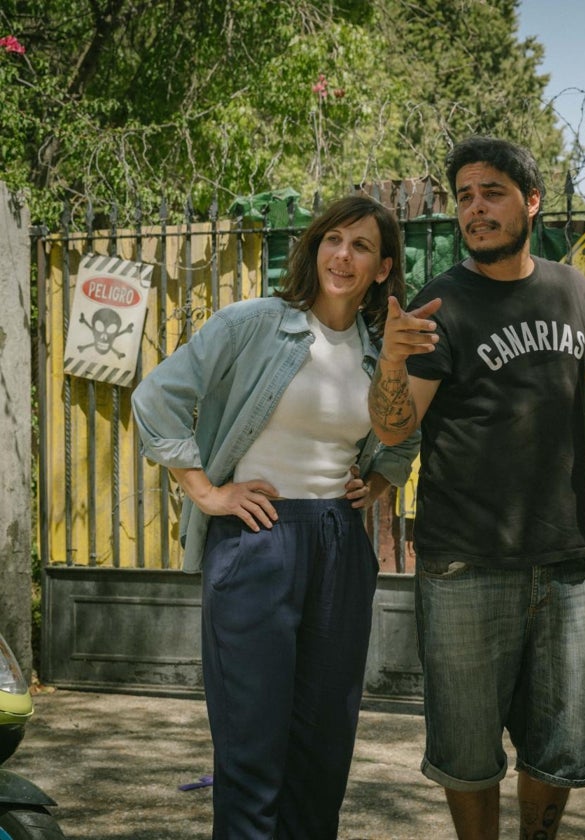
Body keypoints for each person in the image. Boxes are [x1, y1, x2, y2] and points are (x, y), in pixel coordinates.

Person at [367, 136, 585, 840]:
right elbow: (396, 431)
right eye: (464, 197)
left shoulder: (571, 290)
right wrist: (392, 362)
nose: (475, 209)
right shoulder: (439, 303)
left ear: (531, 202)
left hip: (565, 565)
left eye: (492, 193)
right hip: (464, 565)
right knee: (467, 754)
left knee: (560, 749)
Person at [131, 195, 418, 840]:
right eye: (333, 239)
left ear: (382, 268)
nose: (343, 255)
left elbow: (401, 435)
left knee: (322, 754)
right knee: (252, 749)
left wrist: (376, 481)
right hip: (257, 538)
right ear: (315, 247)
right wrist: (206, 492)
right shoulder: (255, 323)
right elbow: (158, 397)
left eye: (362, 246)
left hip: (339, 543)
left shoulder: (378, 350)